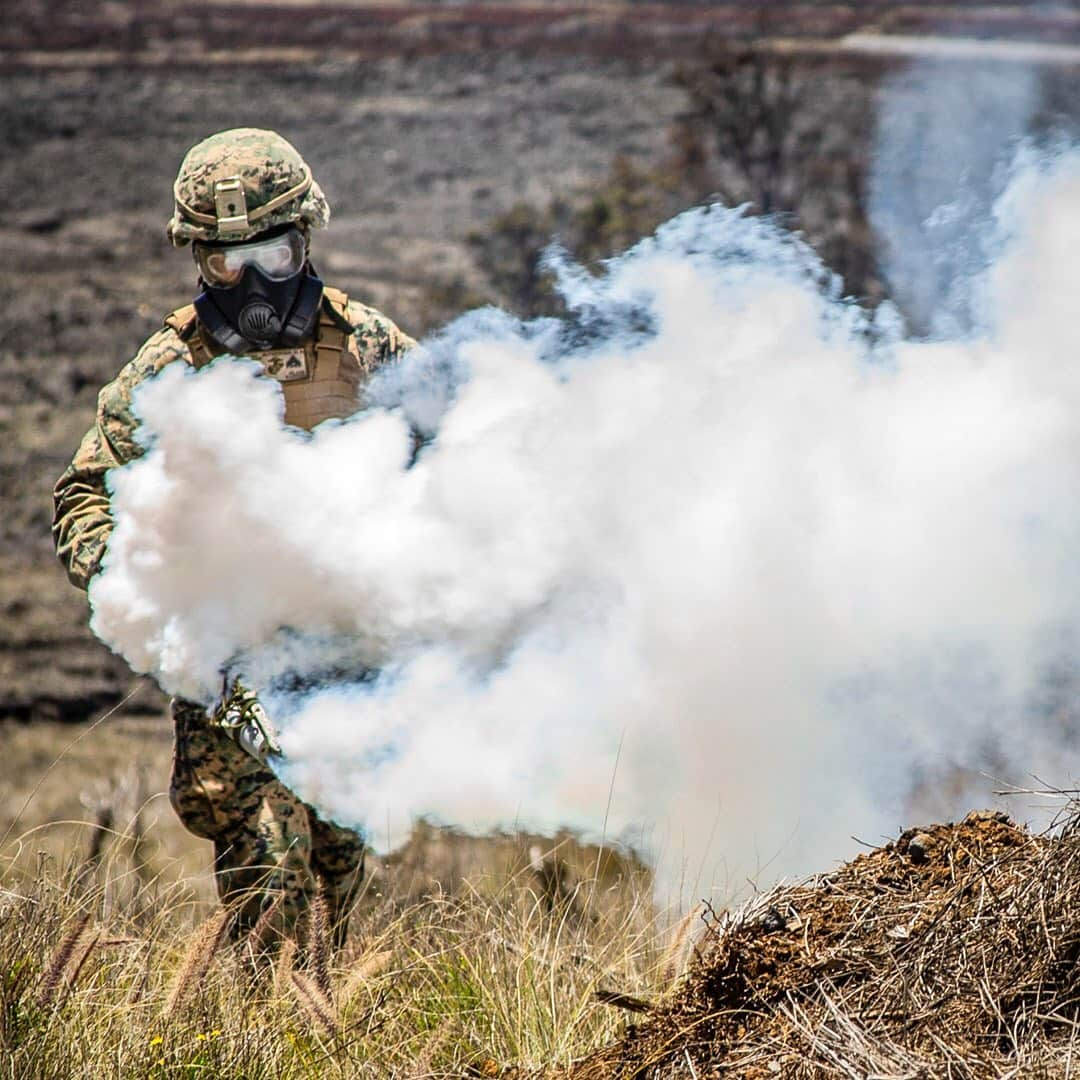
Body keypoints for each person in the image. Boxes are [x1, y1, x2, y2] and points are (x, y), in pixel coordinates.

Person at [52, 128, 415, 950]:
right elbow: (85, 493)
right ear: (199, 260)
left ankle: (325, 1040)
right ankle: (267, 1042)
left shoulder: (369, 347)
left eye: (274, 255)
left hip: (348, 661)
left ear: (307, 241)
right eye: (226, 262)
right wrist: (142, 579)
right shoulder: (169, 367)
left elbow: (460, 464)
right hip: (230, 670)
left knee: (340, 865)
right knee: (268, 860)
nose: (251, 283)